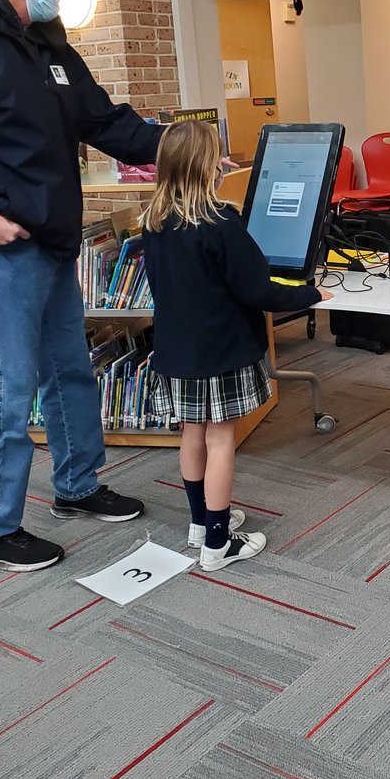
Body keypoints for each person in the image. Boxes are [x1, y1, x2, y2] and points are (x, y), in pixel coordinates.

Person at [0, 0, 165, 571]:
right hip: (2, 248)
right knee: (9, 388)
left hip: (54, 240)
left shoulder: (48, 43)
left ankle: (76, 486)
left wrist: (178, 145)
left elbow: (104, 121)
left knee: (69, 369)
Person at [142, 120, 330, 571]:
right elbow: (258, 291)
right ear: (208, 167)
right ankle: (218, 544)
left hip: (177, 351)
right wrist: (311, 295)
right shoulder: (221, 222)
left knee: (192, 434)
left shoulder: (154, 222)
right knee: (221, 439)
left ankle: (201, 523)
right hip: (220, 352)